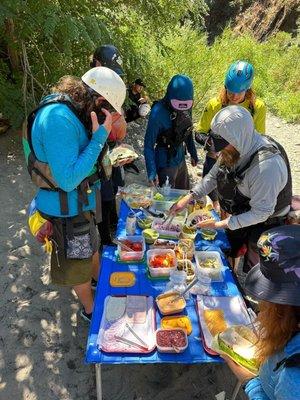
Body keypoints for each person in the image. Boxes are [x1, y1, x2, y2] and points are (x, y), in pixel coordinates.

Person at [24, 67, 126, 322]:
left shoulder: (71, 112)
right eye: (110, 111)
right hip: (65, 209)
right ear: (99, 101)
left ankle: (99, 284)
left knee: (92, 249)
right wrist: (101, 136)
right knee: (77, 263)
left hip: (80, 204)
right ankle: (91, 310)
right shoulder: (58, 118)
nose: (111, 117)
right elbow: (68, 179)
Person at [171, 105, 292, 272]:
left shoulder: (267, 168)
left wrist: (221, 223)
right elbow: (213, 176)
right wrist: (190, 197)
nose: (219, 151)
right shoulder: (235, 146)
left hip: (266, 221)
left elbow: (262, 212)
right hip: (243, 210)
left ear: (239, 139)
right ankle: (234, 267)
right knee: (233, 248)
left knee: (258, 271)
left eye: (223, 145)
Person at [223, 225, 300, 399]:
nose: (261, 306)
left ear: (284, 307)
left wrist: (249, 381)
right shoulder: (290, 327)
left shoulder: (294, 378)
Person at [195, 61, 266, 204]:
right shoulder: (215, 104)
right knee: (209, 201)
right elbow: (199, 133)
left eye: (239, 92)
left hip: (240, 163)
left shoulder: (257, 107)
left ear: (248, 89)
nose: (233, 96)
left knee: (233, 203)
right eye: (230, 91)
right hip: (214, 159)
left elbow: (259, 138)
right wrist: (211, 144)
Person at [144, 74, 198, 189]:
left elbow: (187, 131)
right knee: (166, 201)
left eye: (184, 107)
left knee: (184, 196)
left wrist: (193, 153)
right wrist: (152, 172)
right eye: (178, 106)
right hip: (165, 162)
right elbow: (148, 145)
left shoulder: (187, 107)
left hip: (181, 160)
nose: (181, 110)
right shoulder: (157, 112)